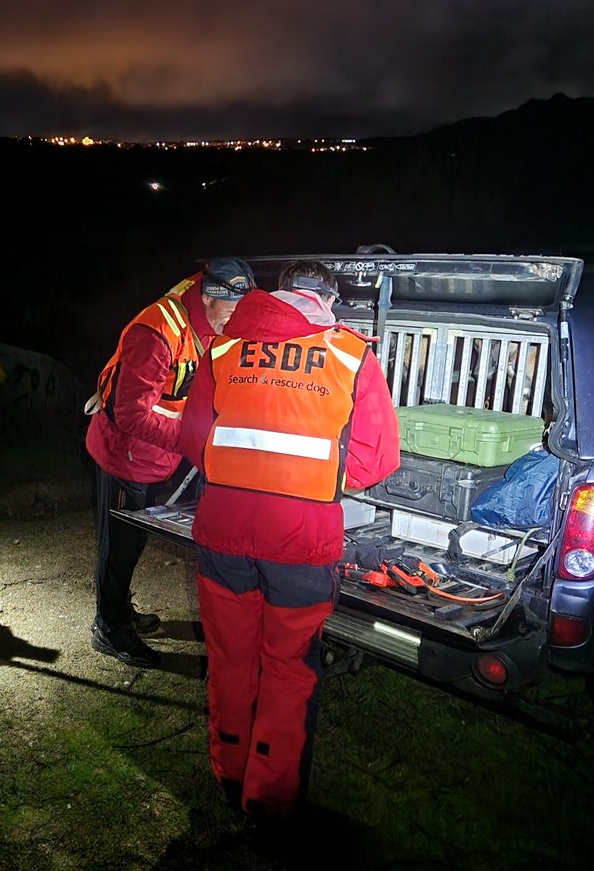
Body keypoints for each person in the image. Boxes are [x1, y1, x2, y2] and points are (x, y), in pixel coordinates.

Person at [178, 259, 400, 833]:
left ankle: (230, 777)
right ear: (329, 300)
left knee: (230, 660)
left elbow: (194, 439)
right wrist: (314, 477)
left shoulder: (224, 350)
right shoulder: (350, 355)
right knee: (289, 669)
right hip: (300, 543)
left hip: (224, 534)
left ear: (279, 294)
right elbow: (376, 461)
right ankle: (270, 803)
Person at [84, 257, 254, 668]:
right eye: (231, 310)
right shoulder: (155, 332)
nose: (235, 320)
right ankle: (109, 627)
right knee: (119, 546)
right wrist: (192, 440)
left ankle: (120, 610)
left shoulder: (210, 321)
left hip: (158, 454)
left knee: (135, 540)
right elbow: (130, 413)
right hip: (124, 453)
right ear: (208, 298)